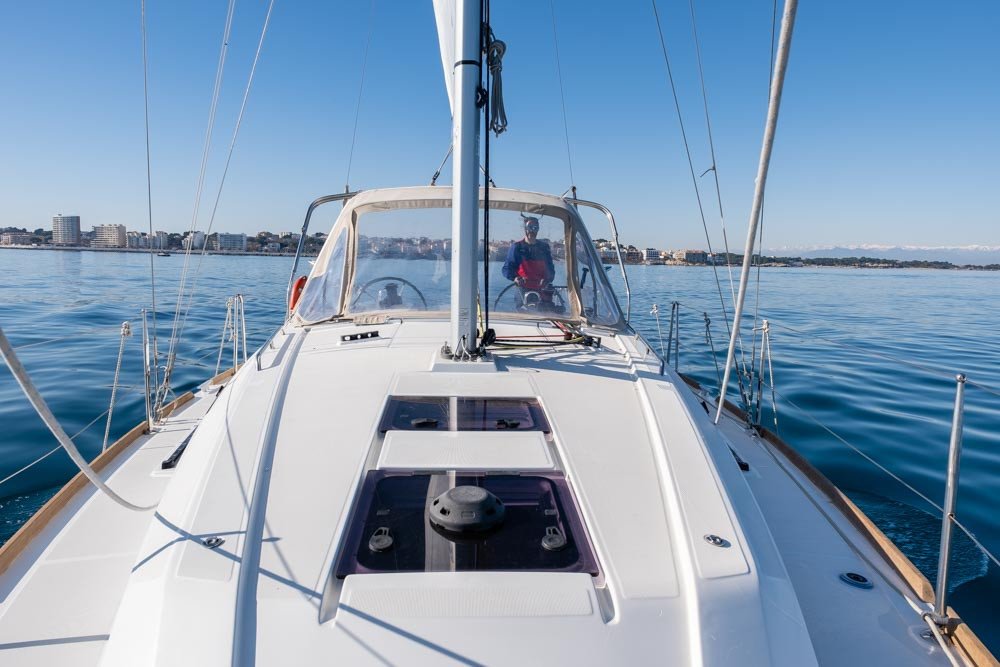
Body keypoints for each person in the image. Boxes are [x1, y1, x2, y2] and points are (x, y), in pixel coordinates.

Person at [501, 217, 556, 309]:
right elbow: (506, 269)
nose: (532, 230)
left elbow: (550, 270)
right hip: (522, 290)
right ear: (525, 228)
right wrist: (515, 278)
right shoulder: (517, 247)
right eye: (530, 227)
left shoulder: (544, 248)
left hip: (542, 290)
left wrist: (547, 279)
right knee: (524, 315)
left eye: (535, 228)